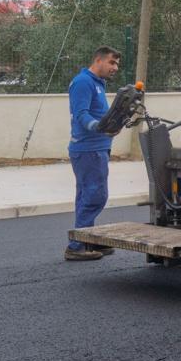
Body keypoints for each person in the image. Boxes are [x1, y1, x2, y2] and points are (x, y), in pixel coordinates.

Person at [64, 46, 121, 261]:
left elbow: (99, 114)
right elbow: (81, 115)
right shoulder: (83, 82)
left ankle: (86, 239)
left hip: (96, 148)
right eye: (111, 63)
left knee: (86, 196)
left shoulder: (97, 83)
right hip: (87, 149)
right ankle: (77, 246)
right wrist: (98, 127)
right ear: (98, 60)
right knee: (96, 196)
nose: (115, 68)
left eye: (116, 64)